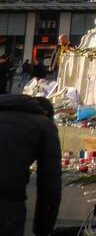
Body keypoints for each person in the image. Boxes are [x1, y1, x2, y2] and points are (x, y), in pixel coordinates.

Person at [0, 95, 62, 236]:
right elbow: (50, 183)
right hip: (7, 201)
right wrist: (43, 228)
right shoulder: (44, 124)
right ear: (47, 114)